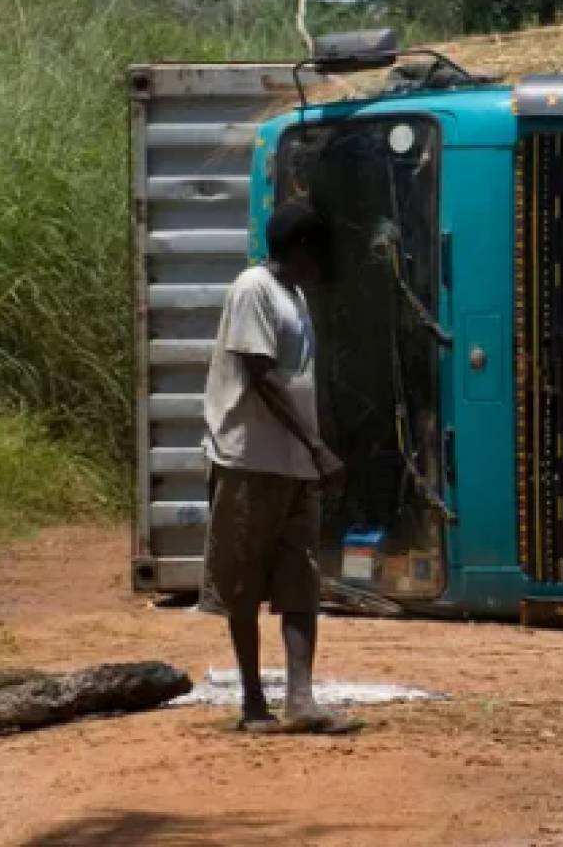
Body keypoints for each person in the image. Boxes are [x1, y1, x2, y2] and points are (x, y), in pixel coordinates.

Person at [200, 198, 356, 734]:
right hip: (250, 461)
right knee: (242, 582)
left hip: (293, 467)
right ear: (302, 248)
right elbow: (261, 375)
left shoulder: (296, 296)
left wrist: (314, 448)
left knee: (300, 581)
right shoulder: (254, 290)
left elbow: (300, 379)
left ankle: (301, 698)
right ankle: (251, 701)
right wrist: (316, 446)